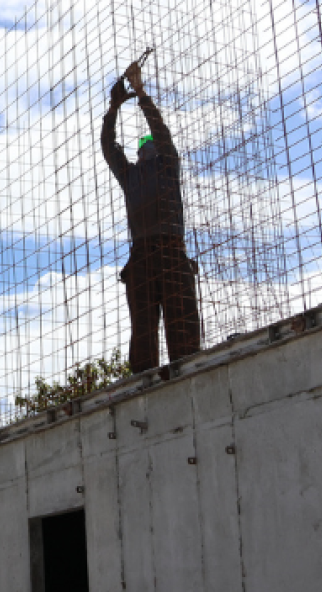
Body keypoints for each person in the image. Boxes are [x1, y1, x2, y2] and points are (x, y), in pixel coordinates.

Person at [101, 59, 201, 373]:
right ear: (140, 153)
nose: (148, 148)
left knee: (182, 327)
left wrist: (140, 92)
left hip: (170, 252)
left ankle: (186, 375)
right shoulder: (131, 176)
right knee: (144, 333)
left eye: (151, 145)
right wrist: (113, 108)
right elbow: (108, 146)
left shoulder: (168, 168)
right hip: (145, 256)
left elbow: (160, 131)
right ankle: (144, 384)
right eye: (144, 146)